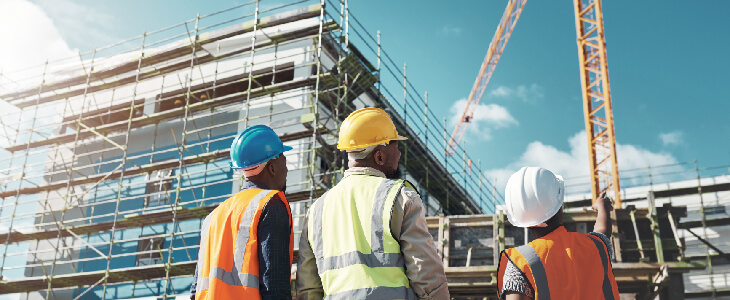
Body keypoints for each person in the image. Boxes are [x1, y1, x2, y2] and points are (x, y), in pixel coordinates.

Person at [296, 107, 450, 300]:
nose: (399, 155)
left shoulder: (316, 210)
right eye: (395, 147)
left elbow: (308, 288)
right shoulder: (400, 196)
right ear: (379, 156)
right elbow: (425, 274)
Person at [191, 124, 294, 300]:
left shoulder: (213, 217)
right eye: (283, 157)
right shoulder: (270, 204)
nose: (287, 168)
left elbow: (195, 290)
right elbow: (274, 285)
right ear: (272, 167)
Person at [497, 167, 619, 300]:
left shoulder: (520, 263)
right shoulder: (596, 246)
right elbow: (603, 232)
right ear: (560, 208)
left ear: (525, 224)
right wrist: (603, 208)